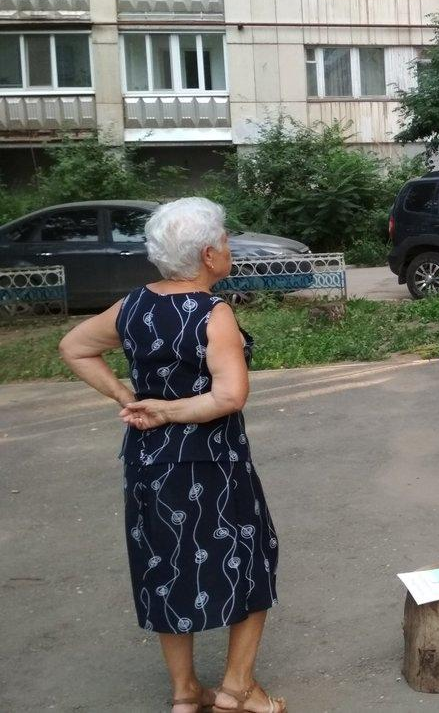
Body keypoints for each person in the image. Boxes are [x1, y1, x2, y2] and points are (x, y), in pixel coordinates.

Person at [57, 197, 285, 713]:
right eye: (225, 240)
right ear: (208, 255)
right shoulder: (212, 312)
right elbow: (229, 397)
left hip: (147, 463)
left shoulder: (133, 304)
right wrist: (164, 410)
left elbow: (74, 346)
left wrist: (126, 397)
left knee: (162, 565)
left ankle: (185, 694)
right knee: (250, 559)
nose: (229, 247)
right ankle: (236, 690)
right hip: (214, 460)